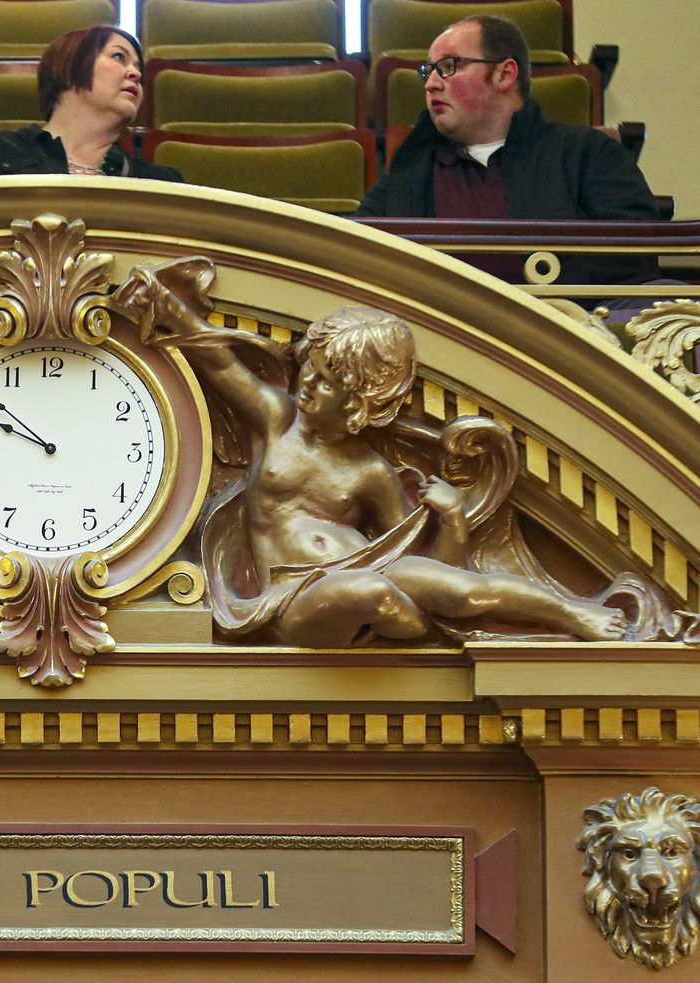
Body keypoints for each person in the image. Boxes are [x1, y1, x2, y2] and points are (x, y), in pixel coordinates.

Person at [115, 266, 636, 646]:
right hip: (293, 596)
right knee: (372, 593)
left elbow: (436, 563)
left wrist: (451, 517)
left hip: (372, 570)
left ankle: (574, 612)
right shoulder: (279, 420)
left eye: (327, 381)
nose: (308, 384)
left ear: (361, 401)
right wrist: (167, 306)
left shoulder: (371, 474)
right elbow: (223, 366)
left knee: (464, 592)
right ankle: (406, 622)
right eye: (309, 369)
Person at [355, 15, 659, 287]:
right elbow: (354, 251)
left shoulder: (588, 153)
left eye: (448, 67)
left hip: (564, 329)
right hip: (437, 337)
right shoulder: (410, 169)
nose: (431, 84)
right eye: (428, 71)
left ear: (504, 74)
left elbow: (632, 253)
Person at [0, 26, 181, 182]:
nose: (135, 74)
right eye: (119, 57)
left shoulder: (159, 181)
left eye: (139, 68)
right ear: (70, 67)